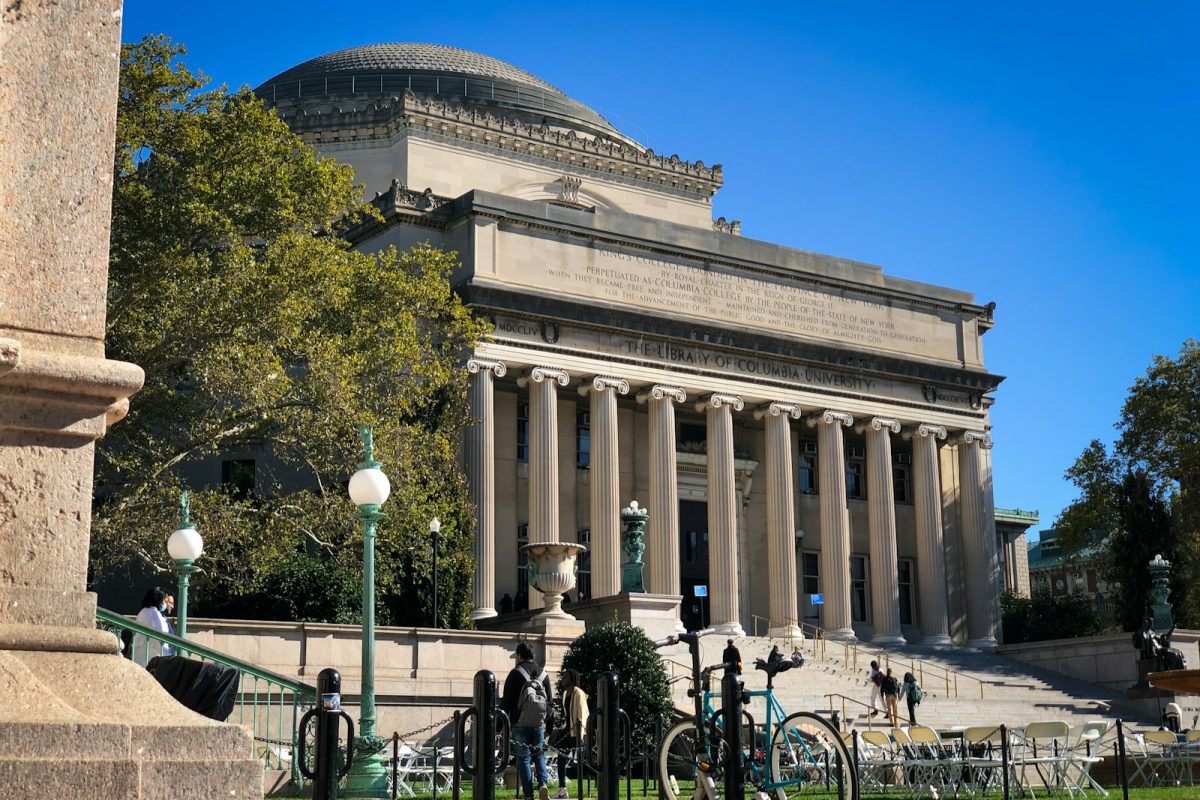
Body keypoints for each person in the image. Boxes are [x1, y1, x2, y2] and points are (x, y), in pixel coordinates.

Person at [502, 642, 553, 800]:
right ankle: (543, 784)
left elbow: (507, 702)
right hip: (539, 723)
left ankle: (529, 794)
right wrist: (549, 727)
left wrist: (499, 726)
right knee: (539, 754)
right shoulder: (543, 674)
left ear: (519, 656)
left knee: (523, 758)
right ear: (533, 656)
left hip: (519, 722)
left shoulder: (515, 673)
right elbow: (550, 704)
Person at [553, 669, 589, 799]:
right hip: (566, 731)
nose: (564, 679)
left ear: (573, 678)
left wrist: (581, 733)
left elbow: (582, 714)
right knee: (561, 760)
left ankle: (600, 776)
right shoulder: (565, 693)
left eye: (567, 677)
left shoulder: (578, 693)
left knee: (581, 763)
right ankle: (562, 790)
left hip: (576, 732)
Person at [133, 587, 172, 666]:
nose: (164, 604)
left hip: (140, 656)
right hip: (151, 659)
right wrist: (168, 657)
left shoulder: (143, 612)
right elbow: (159, 639)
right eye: (164, 601)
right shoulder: (154, 615)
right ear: (158, 600)